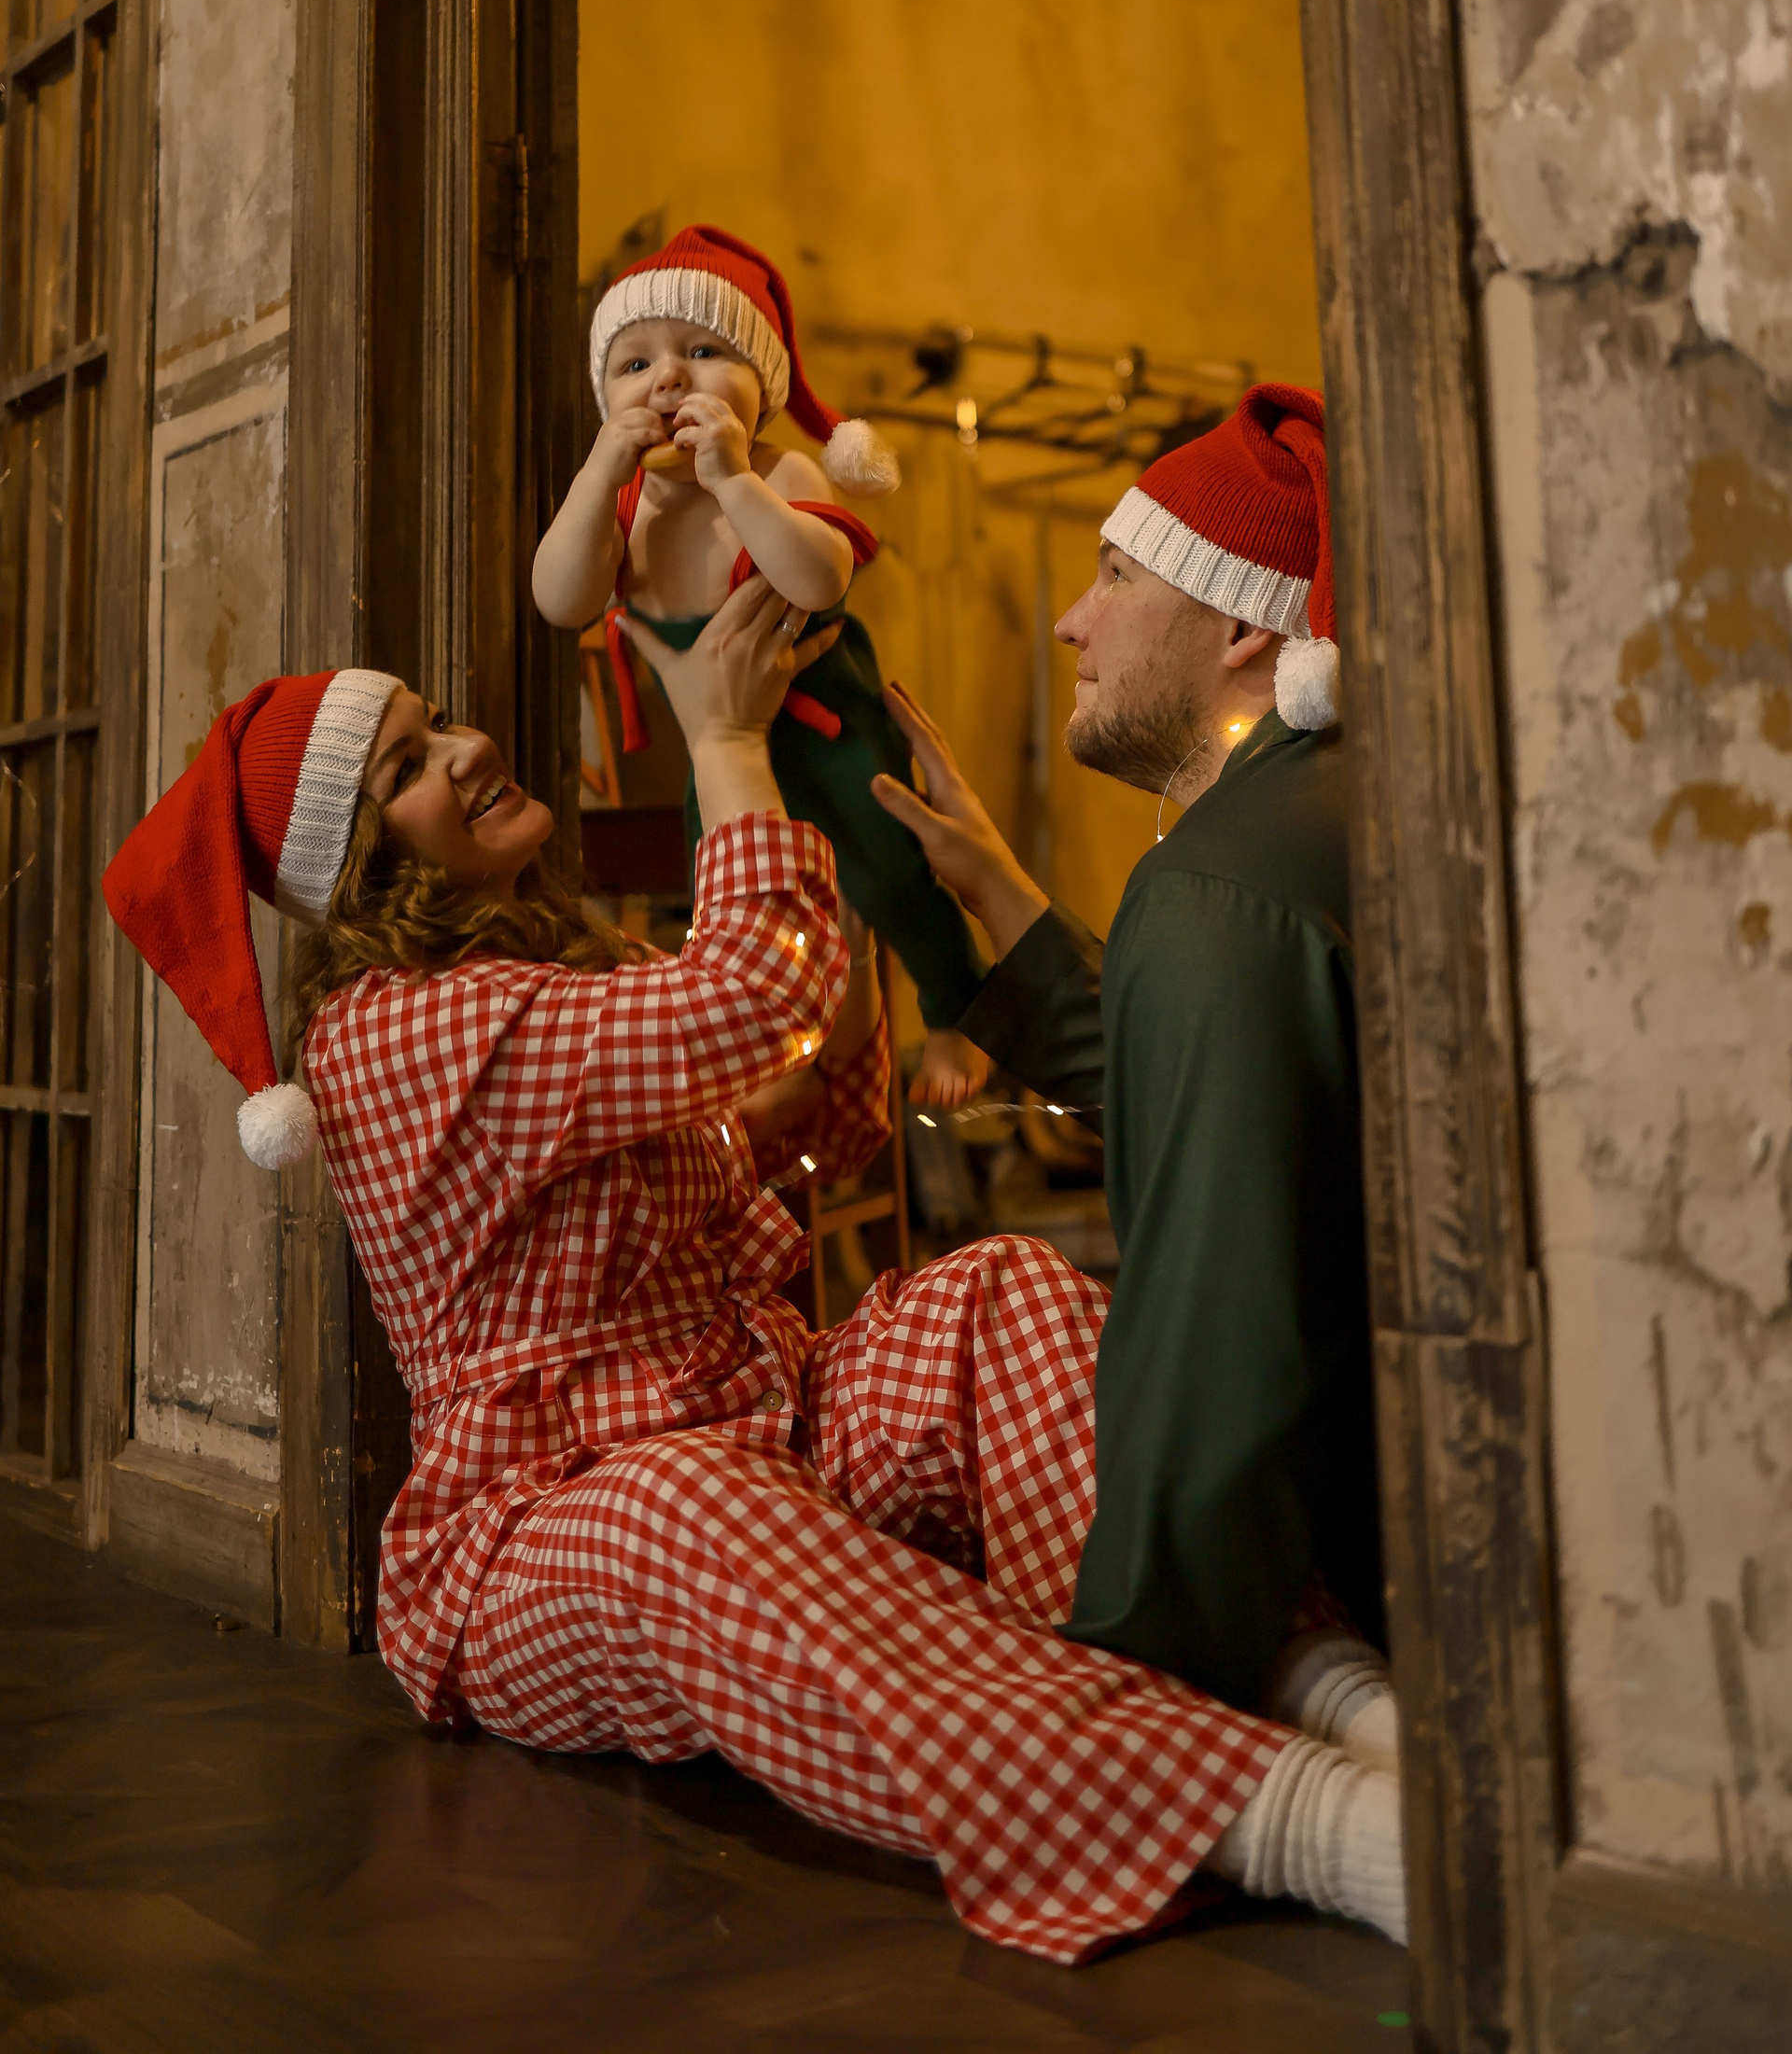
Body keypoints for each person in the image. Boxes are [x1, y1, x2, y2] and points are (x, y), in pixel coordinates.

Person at [102, 570, 1404, 1957]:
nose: (469, 750)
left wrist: (862, 845)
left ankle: (1321, 1688)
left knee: (996, 1294)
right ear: (366, 873)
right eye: (410, 769)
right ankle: (1299, 1817)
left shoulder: (572, 969)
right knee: (679, 1501)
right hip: (544, 1525)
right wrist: (719, 739)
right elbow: (754, 995)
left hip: (766, 1426)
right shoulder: (390, 1035)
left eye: (441, 723)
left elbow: (808, 1116)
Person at [872, 383, 1396, 1770]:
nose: (1071, 621)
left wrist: (1132, 1679)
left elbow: (1224, 1323)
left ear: (1240, 628)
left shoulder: (1219, 890)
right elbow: (1237, 1100)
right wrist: (1005, 901)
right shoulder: (1324, 814)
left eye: (1116, 575)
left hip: (1371, 1594)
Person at [532, 222, 989, 1109]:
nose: (669, 379)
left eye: (704, 352)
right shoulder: (623, 502)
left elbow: (819, 578)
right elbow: (560, 598)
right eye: (634, 364)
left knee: (890, 869)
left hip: (828, 718)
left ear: (764, 387)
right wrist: (595, 475)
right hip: (716, 741)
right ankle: (780, 1045)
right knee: (728, 890)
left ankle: (954, 1003)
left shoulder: (782, 474)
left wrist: (734, 480)